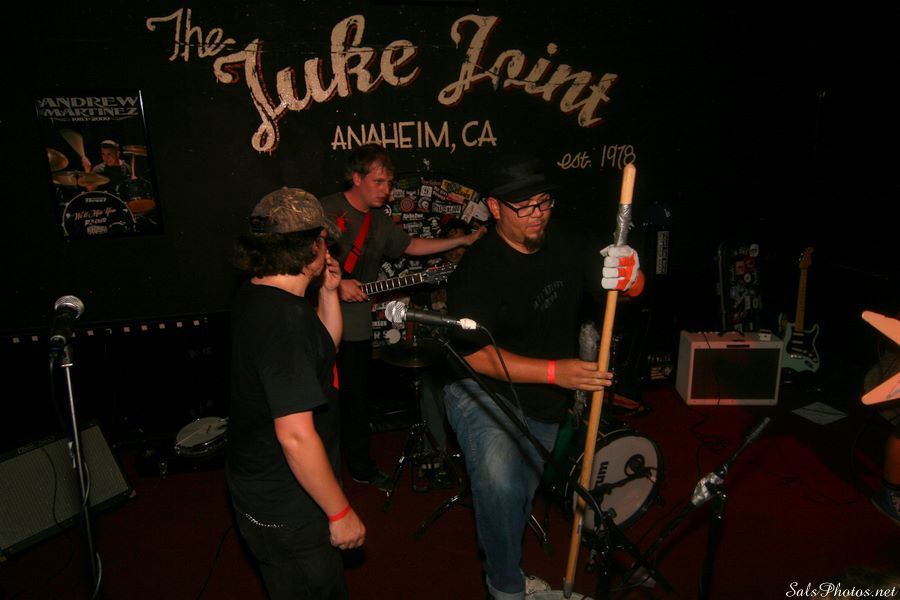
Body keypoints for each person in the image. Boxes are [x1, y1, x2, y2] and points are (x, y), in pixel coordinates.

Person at [442, 155, 644, 599]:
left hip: (545, 396)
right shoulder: (478, 269)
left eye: (544, 202)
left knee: (521, 494)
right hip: (481, 389)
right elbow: (475, 355)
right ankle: (506, 588)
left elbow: (624, 290)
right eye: (524, 206)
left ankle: (508, 569)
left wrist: (632, 277)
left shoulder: (566, 242)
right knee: (501, 483)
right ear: (495, 208)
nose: (537, 214)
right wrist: (556, 372)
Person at [226, 187, 365, 600]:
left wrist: (328, 293)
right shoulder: (283, 320)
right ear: (311, 246)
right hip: (287, 500)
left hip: (266, 484)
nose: (328, 248)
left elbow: (323, 350)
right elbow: (295, 436)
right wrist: (340, 512)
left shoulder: (261, 292)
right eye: (323, 239)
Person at [320, 144, 485, 490]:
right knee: (321, 400)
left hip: (356, 325)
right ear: (356, 178)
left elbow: (411, 246)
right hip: (318, 319)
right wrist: (335, 282)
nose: (386, 190)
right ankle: (320, 473)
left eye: (389, 183)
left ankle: (360, 468)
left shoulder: (379, 220)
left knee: (356, 400)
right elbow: (301, 257)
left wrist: (466, 240)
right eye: (379, 182)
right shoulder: (326, 209)